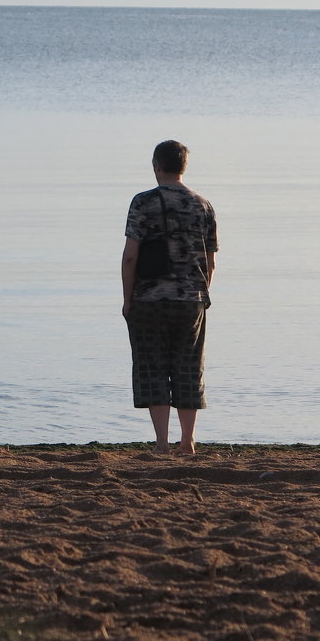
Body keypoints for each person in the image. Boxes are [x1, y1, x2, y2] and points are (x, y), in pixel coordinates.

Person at [121, 140, 217, 455]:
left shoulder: (143, 202)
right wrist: (201, 295)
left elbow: (131, 256)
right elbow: (210, 260)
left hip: (149, 298)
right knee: (188, 366)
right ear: (183, 166)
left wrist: (127, 299)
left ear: (156, 165)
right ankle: (188, 441)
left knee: (153, 366)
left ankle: (162, 443)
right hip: (191, 298)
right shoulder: (203, 205)